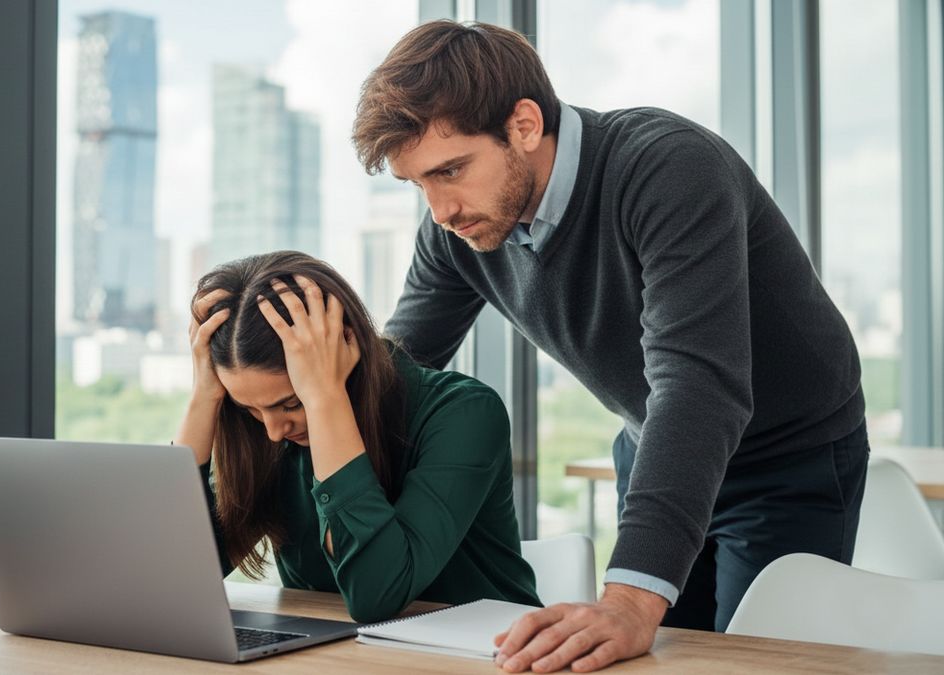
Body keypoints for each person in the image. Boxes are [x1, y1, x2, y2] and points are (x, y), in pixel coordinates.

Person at [352, 19, 869, 673]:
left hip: (786, 456)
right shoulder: (456, 229)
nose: (441, 210)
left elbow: (697, 383)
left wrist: (629, 596)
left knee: (749, 665)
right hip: (655, 444)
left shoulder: (668, 168)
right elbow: (396, 379)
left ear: (524, 125)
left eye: (451, 170)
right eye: (418, 184)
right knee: (644, 661)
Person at [173, 250, 541, 623]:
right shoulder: (269, 438)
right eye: (250, 410)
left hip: (488, 655)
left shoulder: (464, 414)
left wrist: (324, 398)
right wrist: (204, 398)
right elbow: (176, 579)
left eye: (291, 403)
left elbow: (375, 595)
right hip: (341, 657)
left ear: (346, 343)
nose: (272, 431)